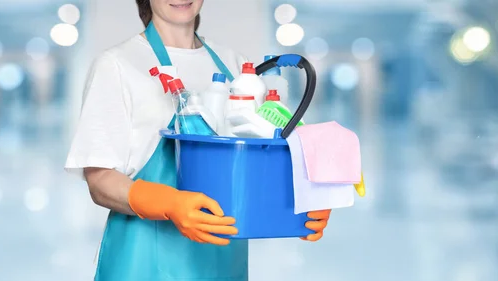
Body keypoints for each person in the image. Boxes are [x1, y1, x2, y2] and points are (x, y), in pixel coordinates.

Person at [64, 0, 332, 280]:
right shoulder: (117, 65)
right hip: (143, 260)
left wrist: (300, 200)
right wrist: (169, 203)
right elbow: (99, 181)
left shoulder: (237, 66)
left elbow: (257, 161)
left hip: (221, 261)